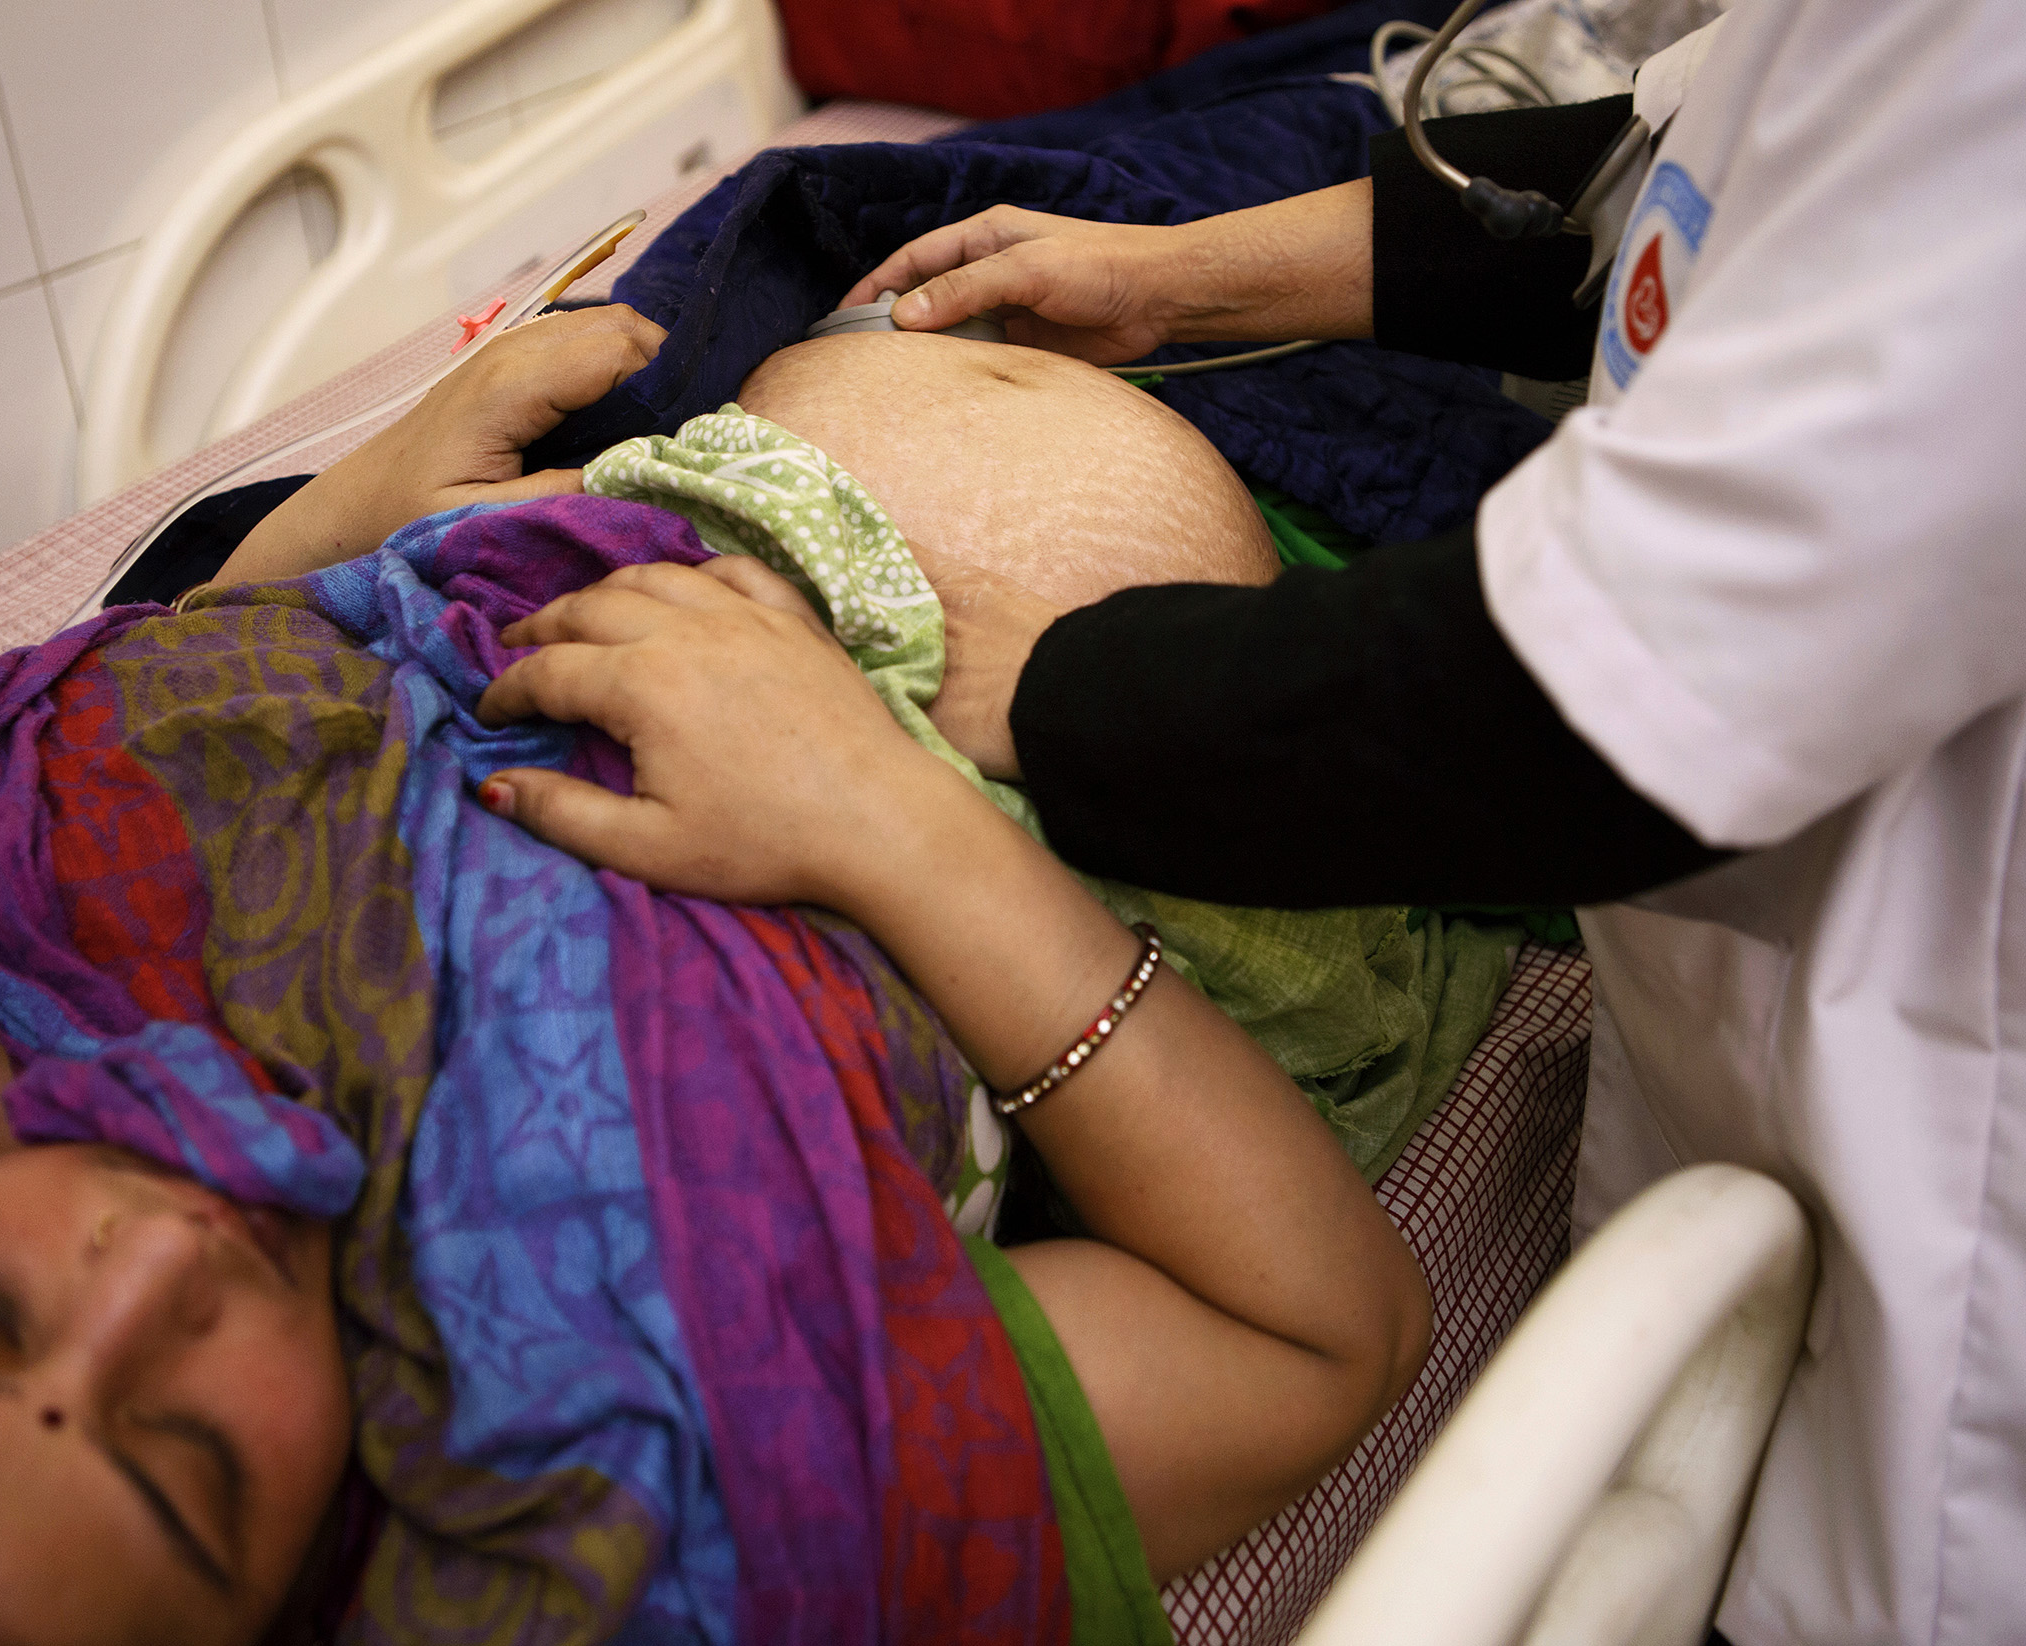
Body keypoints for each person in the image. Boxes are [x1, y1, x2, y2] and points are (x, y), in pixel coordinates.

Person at [470, 3, 2026, 1643]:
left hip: (1927, 1174)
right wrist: (1167, 273)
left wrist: (1033, 707)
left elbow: (1602, 707)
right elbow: (1667, 175)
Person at [0, 307, 1429, 1646]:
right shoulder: (659, 1464)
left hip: (732, 379)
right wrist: (890, 818)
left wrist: (322, 537)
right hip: (1328, 598)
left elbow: (117, 717)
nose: (160, 1262)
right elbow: (1311, 1334)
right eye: (189, 1463)